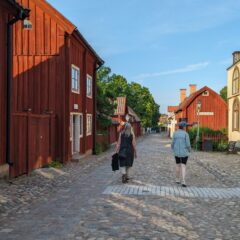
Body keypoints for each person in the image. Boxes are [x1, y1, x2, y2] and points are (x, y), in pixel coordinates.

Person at [171, 121, 191, 187]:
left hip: (177, 152)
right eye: (185, 126)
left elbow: (172, 143)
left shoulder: (175, 133)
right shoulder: (186, 134)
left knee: (177, 165)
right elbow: (188, 144)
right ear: (184, 127)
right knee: (183, 166)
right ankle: (183, 181)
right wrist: (189, 150)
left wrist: (173, 148)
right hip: (184, 152)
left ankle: (177, 179)